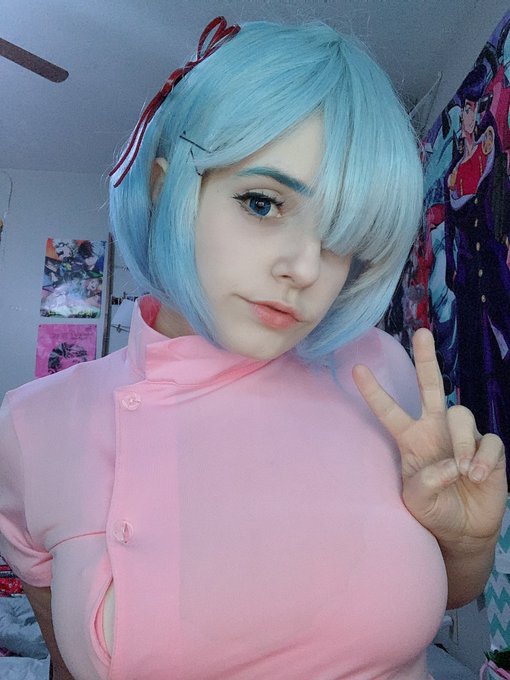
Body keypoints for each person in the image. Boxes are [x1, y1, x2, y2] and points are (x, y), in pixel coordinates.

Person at [0, 17, 506, 680]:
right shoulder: (32, 426)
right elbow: (67, 666)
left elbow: (433, 597)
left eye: (342, 239)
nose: (305, 268)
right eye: (263, 204)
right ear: (165, 187)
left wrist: (467, 542)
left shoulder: (380, 373)